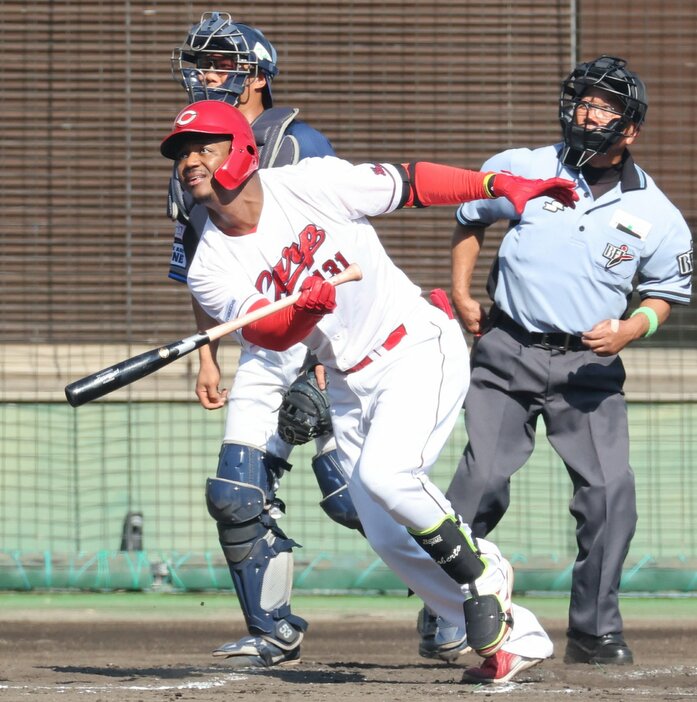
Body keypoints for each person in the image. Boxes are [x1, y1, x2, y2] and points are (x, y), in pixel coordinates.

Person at [159, 99, 579, 677]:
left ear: (243, 151)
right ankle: (515, 637)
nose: (190, 160)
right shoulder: (209, 262)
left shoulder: (311, 183)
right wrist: (303, 314)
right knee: (383, 528)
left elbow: (411, 183)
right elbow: (268, 332)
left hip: (415, 347)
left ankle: (485, 572)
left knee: (388, 476)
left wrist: (497, 182)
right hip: (350, 386)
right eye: (182, 152)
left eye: (205, 146)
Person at [440, 55, 692, 680]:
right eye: (583, 100)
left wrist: (633, 328)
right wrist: (464, 295)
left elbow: (667, 293)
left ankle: (594, 629)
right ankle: (447, 613)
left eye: (604, 106)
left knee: (611, 494)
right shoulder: (520, 167)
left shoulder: (657, 214)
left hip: (589, 370)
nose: (588, 112)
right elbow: (470, 221)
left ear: (629, 129)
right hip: (507, 351)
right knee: (481, 481)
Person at [166, 12, 366, 668]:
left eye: (220, 64)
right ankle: (273, 628)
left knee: (349, 492)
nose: (205, 76)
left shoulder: (300, 142)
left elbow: (347, 252)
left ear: (257, 74)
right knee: (236, 494)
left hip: (333, 335)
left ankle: (457, 594)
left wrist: (322, 366)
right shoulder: (192, 157)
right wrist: (206, 355)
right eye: (199, 64)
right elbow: (203, 272)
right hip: (261, 344)